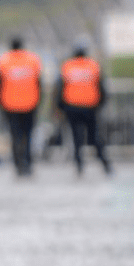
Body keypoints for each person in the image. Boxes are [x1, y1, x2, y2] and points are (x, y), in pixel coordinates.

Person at [54, 42, 112, 177]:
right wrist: (100, 104)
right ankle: (105, 165)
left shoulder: (67, 66)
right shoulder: (93, 65)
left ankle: (79, 165)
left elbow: (60, 88)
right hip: (90, 108)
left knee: (76, 138)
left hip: (72, 107)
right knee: (95, 137)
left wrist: (60, 107)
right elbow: (101, 87)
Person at [0, 36, 42, 177]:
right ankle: (27, 163)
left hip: (10, 105)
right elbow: (39, 83)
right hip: (30, 104)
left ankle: (18, 164)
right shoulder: (33, 60)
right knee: (28, 135)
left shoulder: (3, 61)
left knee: (15, 136)